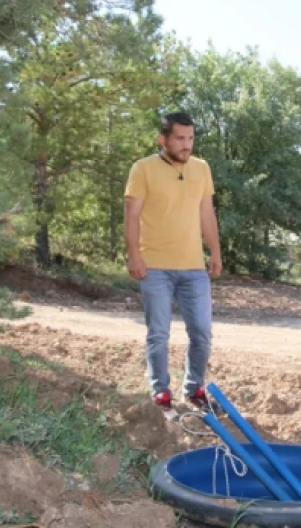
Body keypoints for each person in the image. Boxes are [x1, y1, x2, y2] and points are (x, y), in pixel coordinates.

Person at [124, 112, 223, 421]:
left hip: (193, 268)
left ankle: (194, 389)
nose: (186, 144)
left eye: (190, 138)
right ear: (163, 139)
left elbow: (207, 214)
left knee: (202, 334)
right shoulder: (143, 169)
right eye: (179, 138)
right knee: (159, 333)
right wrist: (134, 255)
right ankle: (161, 392)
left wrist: (215, 251)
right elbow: (131, 215)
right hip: (155, 267)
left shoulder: (202, 169)